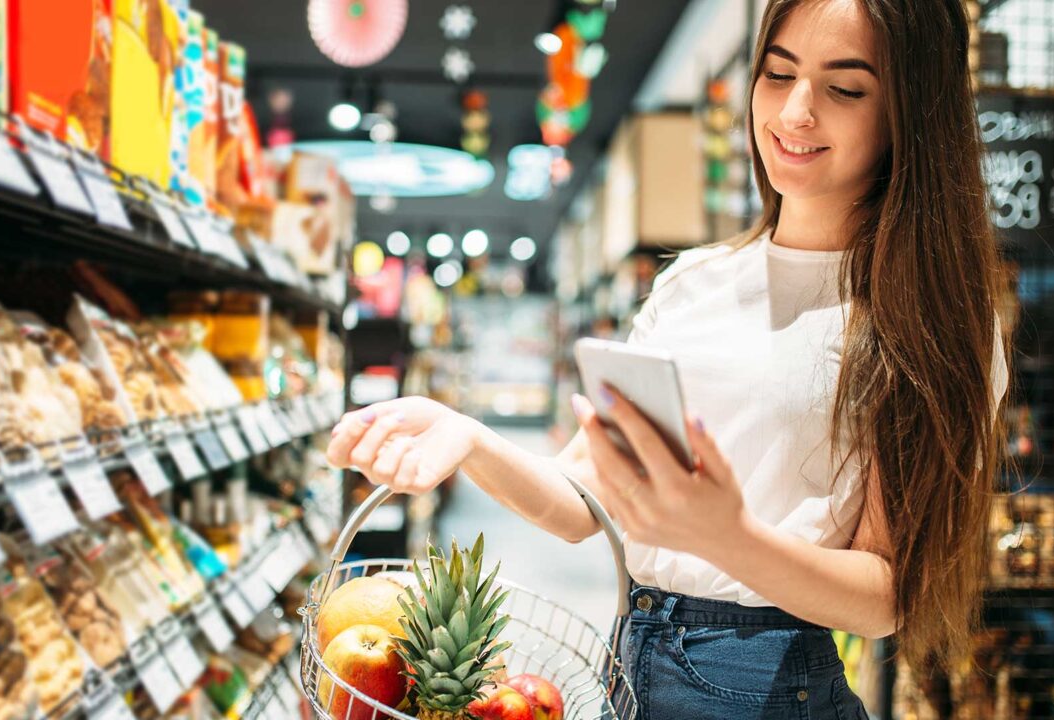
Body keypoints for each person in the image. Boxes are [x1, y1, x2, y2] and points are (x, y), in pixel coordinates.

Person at [327, 0, 1009, 716]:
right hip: (634, 658)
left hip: (768, 682)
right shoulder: (695, 283)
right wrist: (466, 436)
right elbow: (581, 504)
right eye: (778, 75)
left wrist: (728, 537)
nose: (796, 111)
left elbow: (883, 598)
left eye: (845, 88)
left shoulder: (921, 316)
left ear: (910, 111)